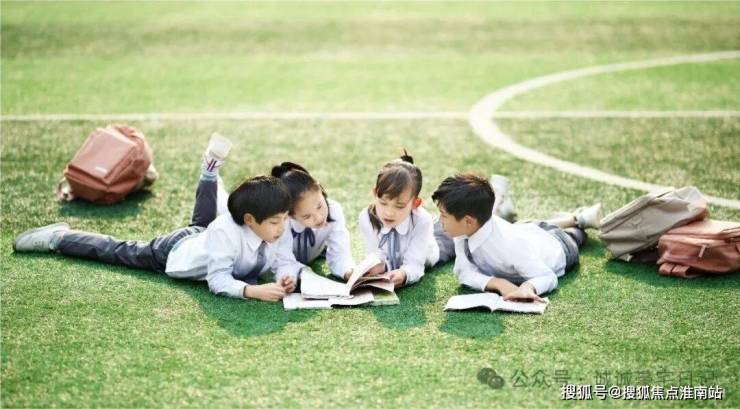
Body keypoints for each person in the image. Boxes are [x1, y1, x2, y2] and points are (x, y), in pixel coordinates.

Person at [13, 134, 305, 302]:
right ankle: (59, 238)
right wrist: (252, 291)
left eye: (284, 219)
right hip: (175, 250)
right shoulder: (226, 231)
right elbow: (218, 280)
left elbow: (284, 260)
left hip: (207, 236)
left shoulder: (274, 226)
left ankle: (210, 170)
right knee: (120, 251)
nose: (282, 227)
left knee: (202, 224)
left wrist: (287, 276)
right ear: (250, 220)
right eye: (275, 222)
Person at [431, 173, 601, 302]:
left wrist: (528, 287)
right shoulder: (464, 230)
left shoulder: (511, 246)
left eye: (443, 215)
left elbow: (547, 277)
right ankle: (575, 218)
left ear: (468, 221)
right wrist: (498, 283)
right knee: (526, 226)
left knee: (575, 235)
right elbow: (463, 272)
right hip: (526, 230)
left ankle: (580, 221)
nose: (440, 220)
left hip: (558, 245)